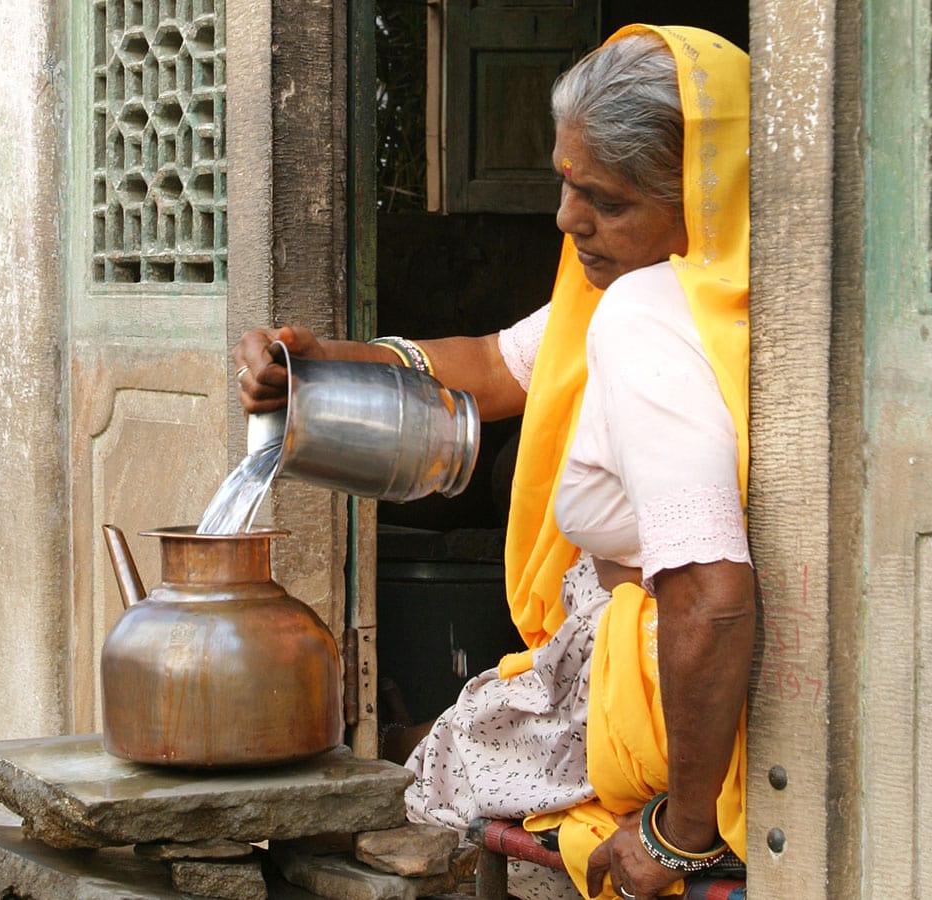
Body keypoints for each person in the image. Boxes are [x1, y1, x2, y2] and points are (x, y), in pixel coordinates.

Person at [233, 24, 753, 900]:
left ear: (704, 194)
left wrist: (679, 836)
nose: (565, 219)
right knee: (460, 730)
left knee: (442, 765)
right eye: (564, 182)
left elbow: (710, 596)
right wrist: (320, 365)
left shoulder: (646, 319)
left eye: (607, 202)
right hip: (657, 678)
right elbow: (497, 365)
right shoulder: (715, 290)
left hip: (669, 709)